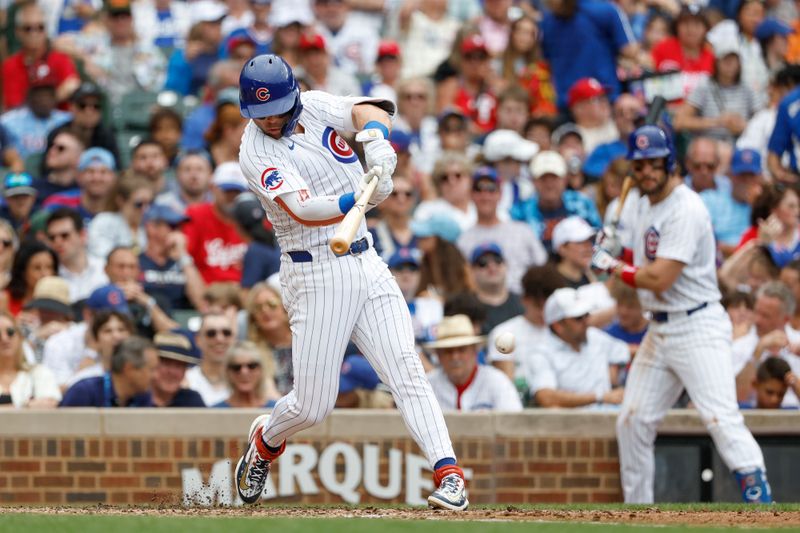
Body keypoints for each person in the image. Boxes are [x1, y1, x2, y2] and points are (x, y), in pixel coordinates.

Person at [235, 54, 468, 510]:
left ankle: (449, 473)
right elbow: (303, 209)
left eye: (278, 108)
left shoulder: (317, 105)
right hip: (315, 268)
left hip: (366, 258)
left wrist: (377, 141)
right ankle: (266, 440)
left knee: (407, 369)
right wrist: (358, 196)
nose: (271, 119)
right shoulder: (254, 152)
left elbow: (370, 108)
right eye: (261, 114)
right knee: (313, 406)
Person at [591, 124, 772, 503]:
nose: (647, 172)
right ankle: (636, 512)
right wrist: (611, 245)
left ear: (670, 161)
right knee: (632, 421)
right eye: (639, 165)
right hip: (660, 329)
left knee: (720, 419)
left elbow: (659, 278)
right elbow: (634, 255)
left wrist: (611, 265)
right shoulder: (636, 202)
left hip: (697, 324)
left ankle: (760, 499)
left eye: (654, 163)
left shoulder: (687, 207)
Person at [525, 287, 628, 409]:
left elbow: (628, 351)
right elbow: (546, 397)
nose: (586, 321)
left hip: (609, 418)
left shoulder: (594, 336)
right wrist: (600, 397)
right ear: (558, 325)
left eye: (586, 315)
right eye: (578, 318)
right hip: (572, 425)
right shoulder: (540, 353)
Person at [457, 167, 546, 294]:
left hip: (524, 300)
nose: (485, 196)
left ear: (500, 194)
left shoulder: (522, 231)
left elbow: (542, 268)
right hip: (484, 305)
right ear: (471, 195)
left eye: (491, 189)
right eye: (479, 189)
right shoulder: (463, 240)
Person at [487, 265, 565, 403]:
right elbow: (505, 386)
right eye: (538, 306)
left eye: (549, 307)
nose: (544, 313)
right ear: (524, 299)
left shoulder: (566, 332)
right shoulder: (505, 333)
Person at [424, 314, 521, 412]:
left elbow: (514, 421)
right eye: (448, 351)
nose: (455, 357)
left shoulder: (497, 381)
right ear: (439, 356)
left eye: (462, 350)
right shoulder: (426, 385)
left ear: (475, 351)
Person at [512, 150, 602, 252]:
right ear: (533, 181)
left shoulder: (582, 203)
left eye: (554, 178)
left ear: (565, 179)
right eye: (543, 179)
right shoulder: (520, 212)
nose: (549, 185)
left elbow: (598, 239)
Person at [1, 2, 80, 110]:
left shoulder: (60, 59)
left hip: (59, 123)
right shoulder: (10, 65)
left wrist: (50, 100)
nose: (34, 33)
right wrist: (50, 101)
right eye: (28, 28)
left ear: (46, 30)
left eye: (40, 27)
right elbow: (14, 105)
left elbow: (72, 84)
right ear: (18, 32)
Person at [182, 161, 248, 284]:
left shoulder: (254, 218)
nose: (231, 197)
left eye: (237, 192)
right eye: (226, 191)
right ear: (212, 188)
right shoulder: (196, 215)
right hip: (207, 293)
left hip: (244, 293)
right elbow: (185, 255)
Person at [139, 204, 205, 312]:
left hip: (182, 323)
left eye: (180, 227)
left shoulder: (184, 263)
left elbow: (202, 304)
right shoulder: (136, 261)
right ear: (151, 228)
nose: (178, 232)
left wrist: (183, 256)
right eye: (173, 226)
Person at [60, 336, 157, 407]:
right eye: (151, 369)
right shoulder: (84, 391)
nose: (155, 376)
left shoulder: (143, 396)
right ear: (129, 368)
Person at [46, 207, 109, 302]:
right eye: (52, 238)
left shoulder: (105, 268)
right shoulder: (48, 276)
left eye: (65, 235)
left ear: (82, 235)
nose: (58, 242)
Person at [0, 312, 61, 408]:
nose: (4, 339)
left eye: (10, 332)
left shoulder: (39, 372)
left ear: (20, 337)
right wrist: (27, 406)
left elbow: (51, 404)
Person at [243, 281, 293, 396]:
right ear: (253, 317)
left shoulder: (305, 342)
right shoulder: (251, 352)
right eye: (258, 307)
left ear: (284, 307)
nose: (265, 310)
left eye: (272, 304)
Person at [86, 176, 153, 260]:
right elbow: (100, 255)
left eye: (149, 203)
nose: (145, 209)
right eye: (139, 204)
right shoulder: (104, 221)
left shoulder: (150, 227)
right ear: (121, 201)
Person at [44, 147, 118, 224]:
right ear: (79, 176)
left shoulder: (122, 205)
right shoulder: (57, 204)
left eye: (103, 172)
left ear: (114, 177)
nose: (96, 178)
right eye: (90, 171)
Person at [65, 310, 135, 387]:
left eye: (121, 330)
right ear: (96, 339)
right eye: (108, 331)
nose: (116, 336)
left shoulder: (145, 374)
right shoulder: (85, 380)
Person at [468, 243, 523, 335]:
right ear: (472, 270)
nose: (492, 267)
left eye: (497, 260)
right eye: (483, 263)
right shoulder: (466, 307)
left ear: (506, 265)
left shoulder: (523, 302)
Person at [186, 312, 235, 406]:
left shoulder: (248, 377)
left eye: (226, 333)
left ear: (234, 338)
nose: (220, 339)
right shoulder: (186, 379)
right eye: (211, 334)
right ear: (198, 340)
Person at [214, 340, 280, 408]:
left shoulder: (275, 410)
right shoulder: (215, 411)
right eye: (236, 367)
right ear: (228, 372)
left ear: (261, 370)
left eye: (252, 366)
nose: (244, 372)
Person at [151, 330, 206, 408]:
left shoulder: (193, 402)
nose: (172, 372)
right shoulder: (136, 399)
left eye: (179, 366)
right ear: (151, 365)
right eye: (166, 363)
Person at [3, 240, 58, 316]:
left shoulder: (59, 299)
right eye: (37, 268)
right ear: (23, 271)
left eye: (49, 267)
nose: (44, 274)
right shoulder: (5, 299)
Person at [154, 150, 213, 215]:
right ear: (177, 174)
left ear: (210, 174)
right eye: (187, 169)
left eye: (200, 169)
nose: (193, 175)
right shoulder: (162, 203)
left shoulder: (218, 204)